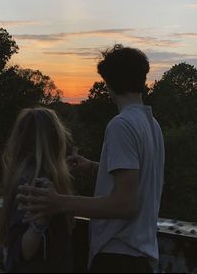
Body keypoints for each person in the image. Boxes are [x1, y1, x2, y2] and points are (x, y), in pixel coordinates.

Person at [17, 45, 165, 274]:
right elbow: (140, 181)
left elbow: (125, 204)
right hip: (141, 256)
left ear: (109, 83)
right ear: (142, 79)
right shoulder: (151, 125)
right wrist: (96, 168)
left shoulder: (121, 125)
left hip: (118, 257)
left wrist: (59, 202)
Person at [0, 107, 73, 273]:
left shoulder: (25, 176)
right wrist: (39, 225)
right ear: (55, 139)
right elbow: (24, 251)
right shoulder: (35, 182)